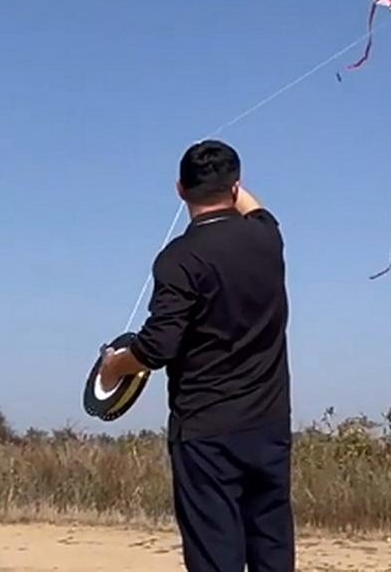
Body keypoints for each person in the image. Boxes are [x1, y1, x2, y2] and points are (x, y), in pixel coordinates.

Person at [99, 139, 294, 571]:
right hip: (270, 426)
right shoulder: (267, 237)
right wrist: (231, 183)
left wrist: (114, 366)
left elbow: (157, 346)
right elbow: (255, 208)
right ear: (236, 186)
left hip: (206, 434)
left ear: (179, 190)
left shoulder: (179, 259)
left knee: (215, 556)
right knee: (273, 551)